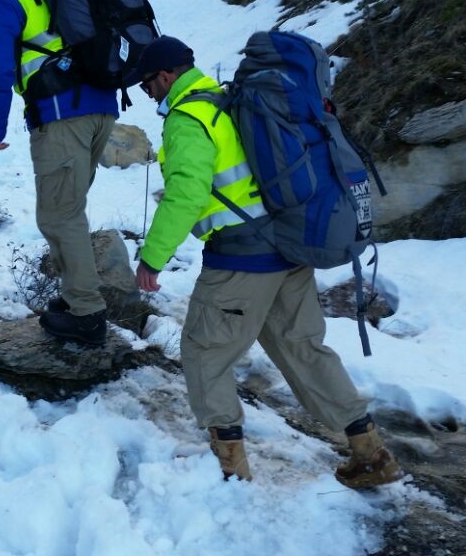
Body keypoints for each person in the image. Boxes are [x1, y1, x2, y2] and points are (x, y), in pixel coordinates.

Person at [131, 35, 402, 488]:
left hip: (241, 261)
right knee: (304, 349)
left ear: (164, 76)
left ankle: (229, 470)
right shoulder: (233, 100)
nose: (149, 95)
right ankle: (371, 452)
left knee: (206, 352)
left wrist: (152, 258)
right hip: (288, 250)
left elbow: (186, 194)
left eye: (146, 86)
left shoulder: (187, 118)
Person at [0, 0, 117, 346]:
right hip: (102, 110)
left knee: (60, 216)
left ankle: (87, 314)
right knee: (67, 210)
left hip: (61, 114)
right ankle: (75, 300)